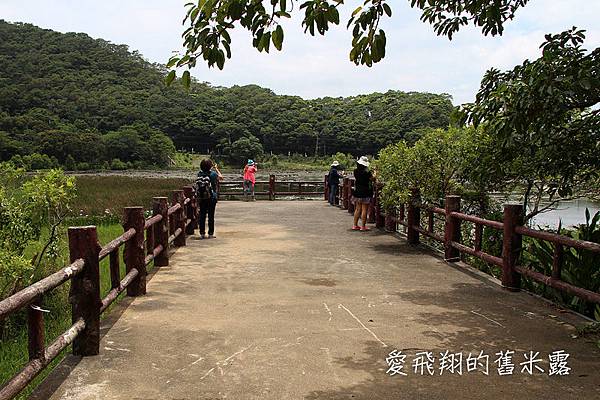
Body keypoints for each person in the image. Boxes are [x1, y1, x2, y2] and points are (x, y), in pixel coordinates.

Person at [196, 159, 223, 239]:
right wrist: (216, 169)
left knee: (202, 215)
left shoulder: (199, 174)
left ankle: (202, 233)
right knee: (211, 216)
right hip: (212, 197)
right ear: (210, 166)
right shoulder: (213, 174)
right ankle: (210, 233)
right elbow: (221, 177)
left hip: (201, 197)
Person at [352, 156, 374, 231]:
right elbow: (373, 179)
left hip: (357, 191)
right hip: (365, 192)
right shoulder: (367, 172)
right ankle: (363, 226)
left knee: (358, 209)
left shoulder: (355, 171)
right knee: (364, 209)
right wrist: (375, 172)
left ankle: (355, 225)